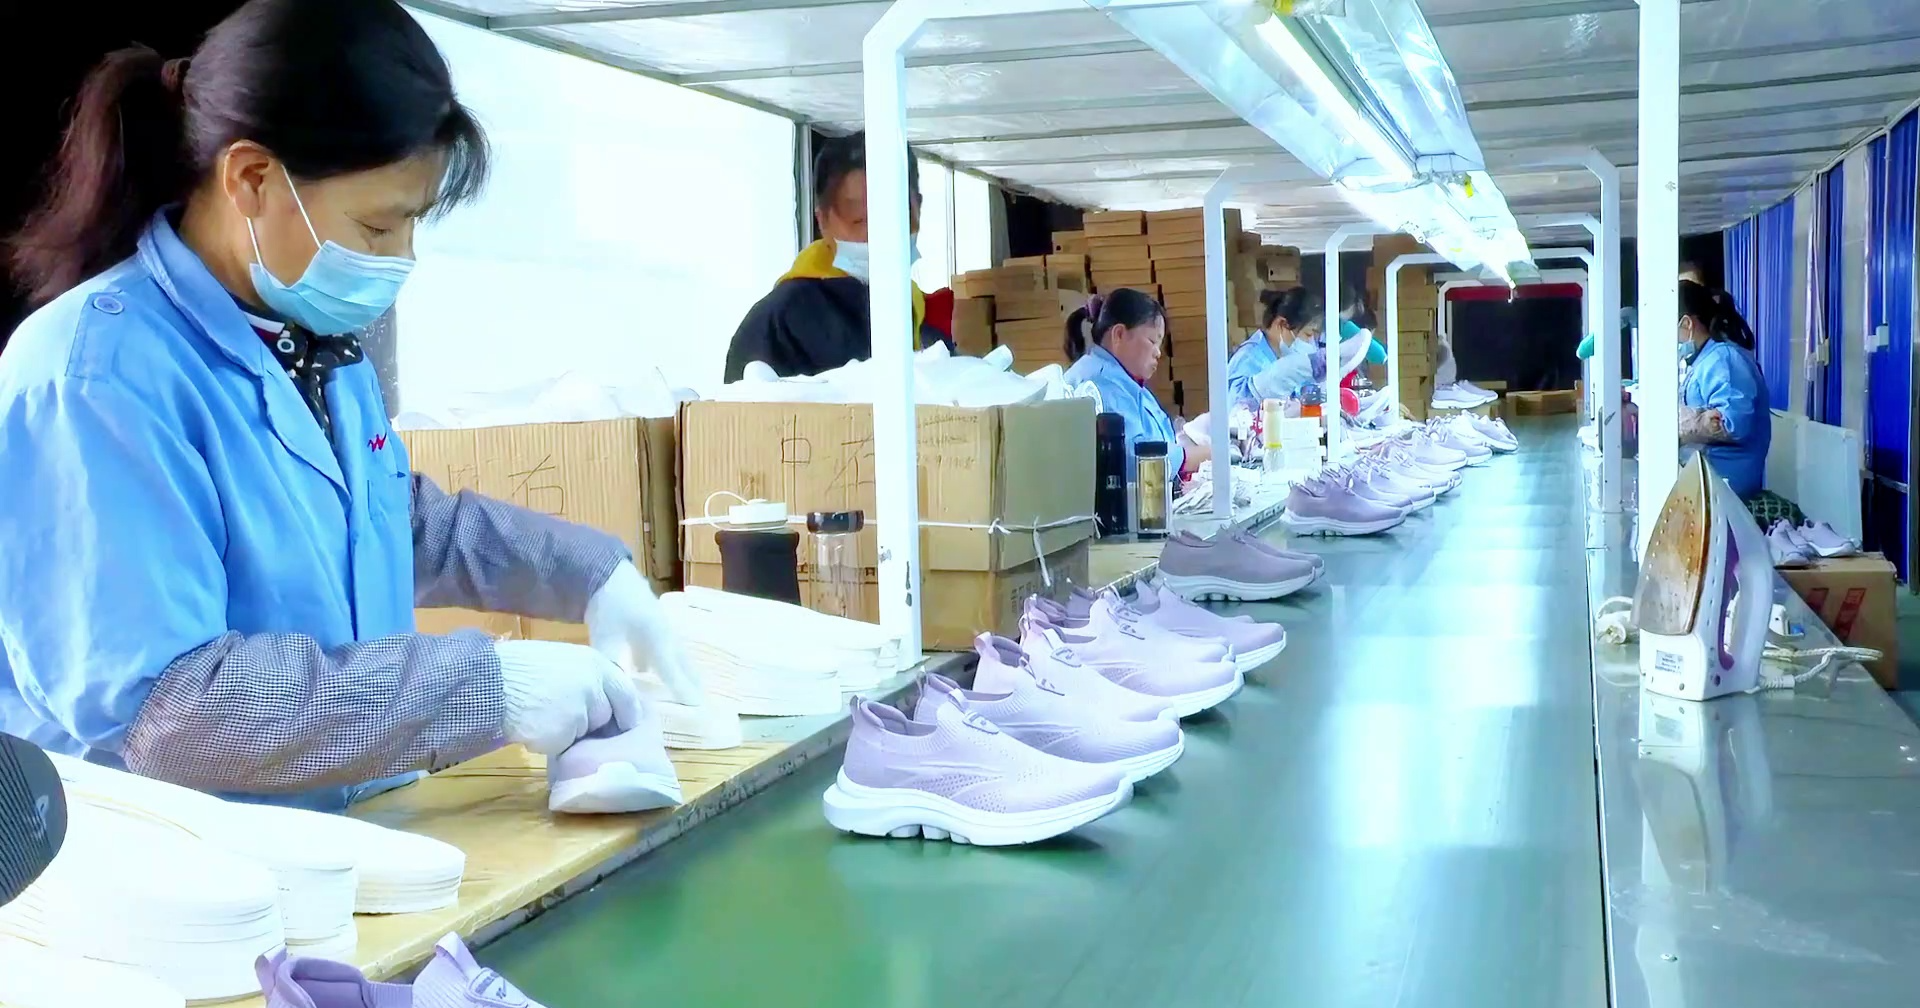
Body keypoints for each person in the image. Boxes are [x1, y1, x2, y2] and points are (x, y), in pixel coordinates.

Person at [0, 0, 690, 812]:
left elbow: (382, 521)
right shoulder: (95, 379)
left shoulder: (311, 342)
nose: (401, 259)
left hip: (347, 829)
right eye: (376, 227)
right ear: (252, 179)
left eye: (411, 225)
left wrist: (589, 570)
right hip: (178, 859)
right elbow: (170, 712)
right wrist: (483, 686)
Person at [724, 132, 946, 381]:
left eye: (899, 213)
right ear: (823, 221)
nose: (884, 233)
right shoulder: (781, 323)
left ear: (919, 207)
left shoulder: (917, 310)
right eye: (859, 220)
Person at [1062, 289, 1205, 479]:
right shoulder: (1100, 382)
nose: (1158, 353)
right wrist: (1190, 457)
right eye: (1152, 341)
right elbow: (1130, 461)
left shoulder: (1127, 382)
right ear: (1119, 334)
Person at [1676, 280, 1771, 500]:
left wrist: (1683, 424)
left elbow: (1733, 423)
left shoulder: (1723, 359)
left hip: (1726, 484)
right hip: (1708, 479)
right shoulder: (1704, 360)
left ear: (1687, 324)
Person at [1227, 286, 1324, 404]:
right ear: (1282, 324)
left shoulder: (1281, 356)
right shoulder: (1248, 359)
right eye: (1308, 334)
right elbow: (1235, 407)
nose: (1310, 342)